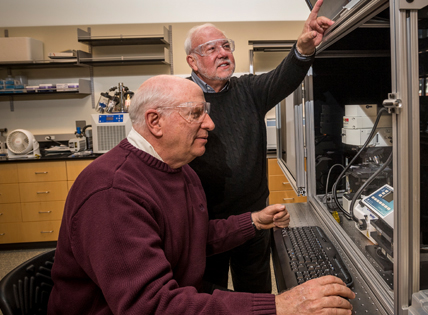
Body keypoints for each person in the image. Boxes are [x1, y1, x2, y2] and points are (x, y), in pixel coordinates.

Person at [48, 75, 354, 315]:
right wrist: (279, 306)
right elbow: (151, 306)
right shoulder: (113, 192)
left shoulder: (179, 169)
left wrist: (252, 222)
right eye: (196, 114)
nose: (210, 123)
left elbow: (190, 236)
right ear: (155, 122)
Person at [184, 0, 334, 293]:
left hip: (255, 221)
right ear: (193, 61)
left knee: (256, 295)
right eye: (212, 48)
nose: (224, 53)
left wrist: (303, 48)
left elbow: (284, 77)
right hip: (204, 227)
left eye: (226, 46)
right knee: (208, 297)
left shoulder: (249, 90)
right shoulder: (182, 98)